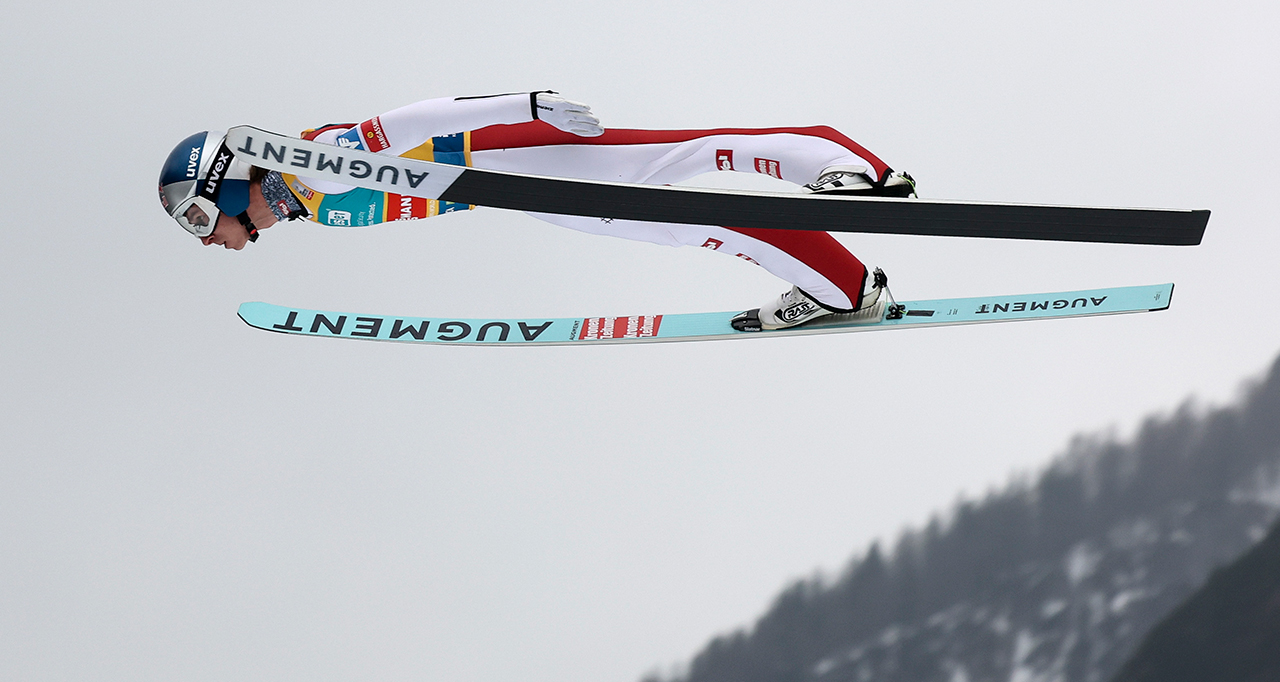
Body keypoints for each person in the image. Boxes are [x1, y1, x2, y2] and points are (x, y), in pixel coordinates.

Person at [158, 91, 915, 331]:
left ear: (225, 181)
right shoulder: (311, 206)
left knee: (688, 181)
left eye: (199, 219)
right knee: (690, 202)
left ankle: (842, 191)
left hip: (514, 155)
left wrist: (524, 105)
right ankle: (841, 267)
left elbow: (416, 120)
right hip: (513, 186)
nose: (207, 240)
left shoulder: (312, 162)